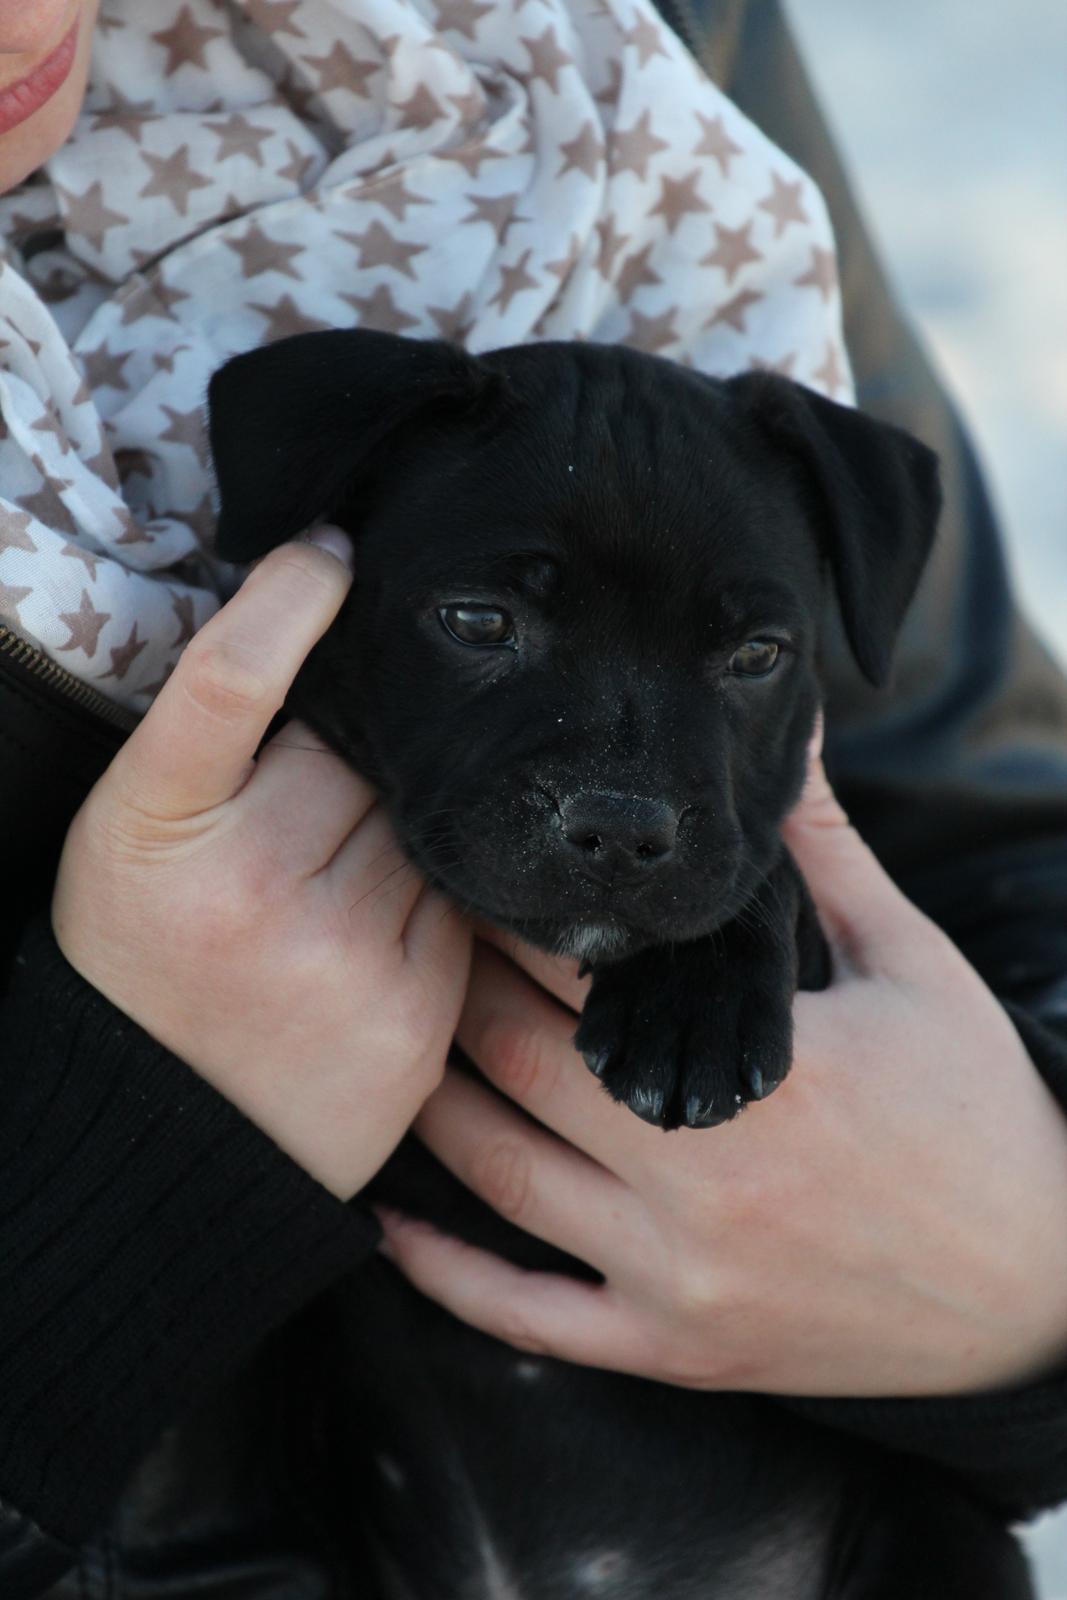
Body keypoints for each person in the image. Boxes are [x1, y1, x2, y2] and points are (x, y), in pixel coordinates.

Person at [2, 1, 1067, 1595]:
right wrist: (124, 1171)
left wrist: (1034, 1267)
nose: (630, 804)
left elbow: (996, 827)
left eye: (750, 654)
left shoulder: (610, 62)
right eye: (487, 627)